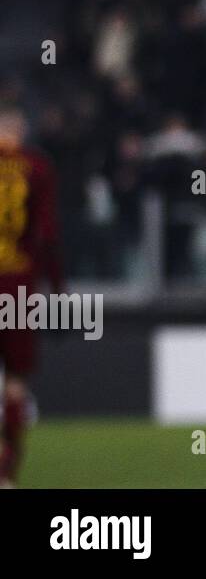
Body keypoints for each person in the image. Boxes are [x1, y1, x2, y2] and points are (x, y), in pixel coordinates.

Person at [0, 102, 64, 488]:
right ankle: (7, 474)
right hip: (17, 285)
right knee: (16, 382)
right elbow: (48, 236)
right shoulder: (37, 167)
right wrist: (58, 291)